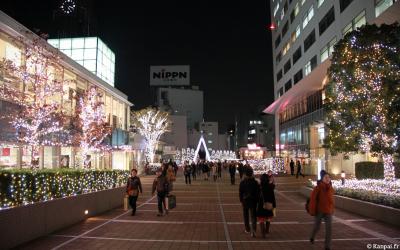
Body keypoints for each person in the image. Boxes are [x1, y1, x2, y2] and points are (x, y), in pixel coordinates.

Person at [309, 172, 334, 250]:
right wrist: (312, 210)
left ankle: (327, 246)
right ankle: (312, 237)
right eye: (325, 177)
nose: (327, 179)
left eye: (328, 177)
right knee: (317, 226)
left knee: (329, 229)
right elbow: (313, 199)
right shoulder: (318, 188)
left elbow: (332, 200)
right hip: (319, 211)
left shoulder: (330, 188)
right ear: (322, 179)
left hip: (328, 211)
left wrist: (332, 209)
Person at [239, 168, 260, 237]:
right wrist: (257, 200)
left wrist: (241, 200)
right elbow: (258, 193)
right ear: (252, 174)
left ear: (245, 174)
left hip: (245, 201)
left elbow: (240, 192)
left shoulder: (242, 182)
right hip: (253, 201)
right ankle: (253, 230)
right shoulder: (255, 182)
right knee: (253, 216)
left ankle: (247, 229)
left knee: (246, 215)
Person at [256, 173, 276, 238]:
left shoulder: (259, 187)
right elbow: (273, 197)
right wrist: (274, 205)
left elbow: (257, 196)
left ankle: (263, 233)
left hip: (261, 204)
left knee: (261, 219)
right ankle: (267, 230)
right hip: (269, 204)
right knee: (268, 218)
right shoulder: (270, 187)